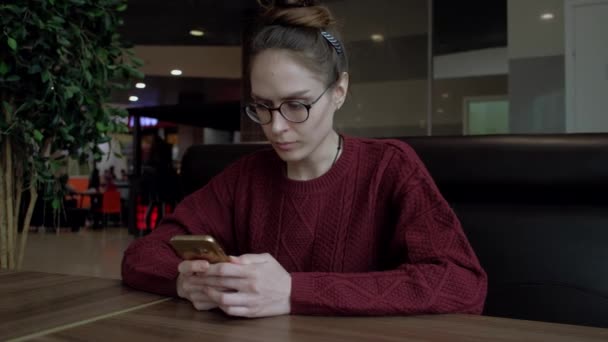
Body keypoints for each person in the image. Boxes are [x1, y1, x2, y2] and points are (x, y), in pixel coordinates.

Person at [122, 0, 487, 318]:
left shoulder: (389, 168)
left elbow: (462, 284)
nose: (276, 127)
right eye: (263, 106)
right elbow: (141, 255)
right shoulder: (244, 179)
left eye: (296, 104)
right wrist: (185, 282)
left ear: (339, 91)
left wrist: (293, 292)